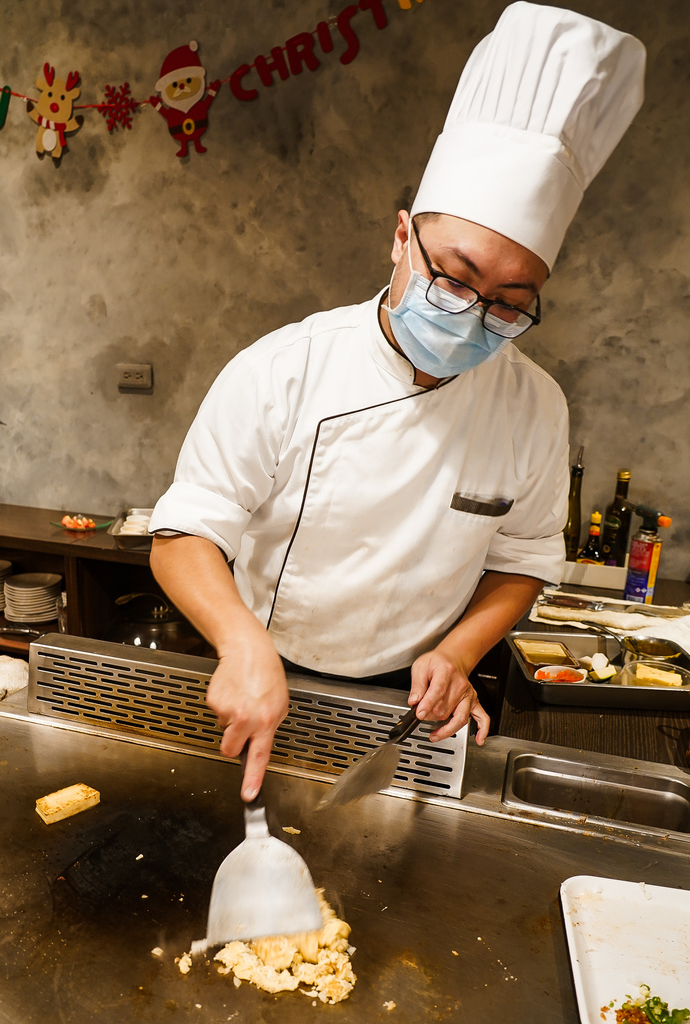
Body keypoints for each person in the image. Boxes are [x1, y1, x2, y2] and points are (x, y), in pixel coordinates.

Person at [148, 2, 646, 801]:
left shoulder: (533, 407)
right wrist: (240, 644)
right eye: (452, 277)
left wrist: (455, 655)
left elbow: (521, 564)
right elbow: (181, 535)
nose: (473, 314)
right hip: (264, 668)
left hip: (412, 701)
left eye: (509, 302)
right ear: (400, 236)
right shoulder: (285, 368)